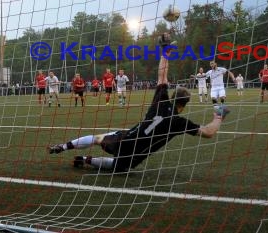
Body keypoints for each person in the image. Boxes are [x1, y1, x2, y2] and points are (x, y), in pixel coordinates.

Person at [48, 33, 231, 172]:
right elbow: (208, 132)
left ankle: (63, 146)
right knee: (119, 167)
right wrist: (218, 116)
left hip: (125, 137)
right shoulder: (179, 122)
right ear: (183, 106)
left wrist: (165, 51)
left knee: (97, 138)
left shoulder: (160, 102)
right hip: (134, 153)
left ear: (172, 97)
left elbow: (161, 75)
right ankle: (86, 159)